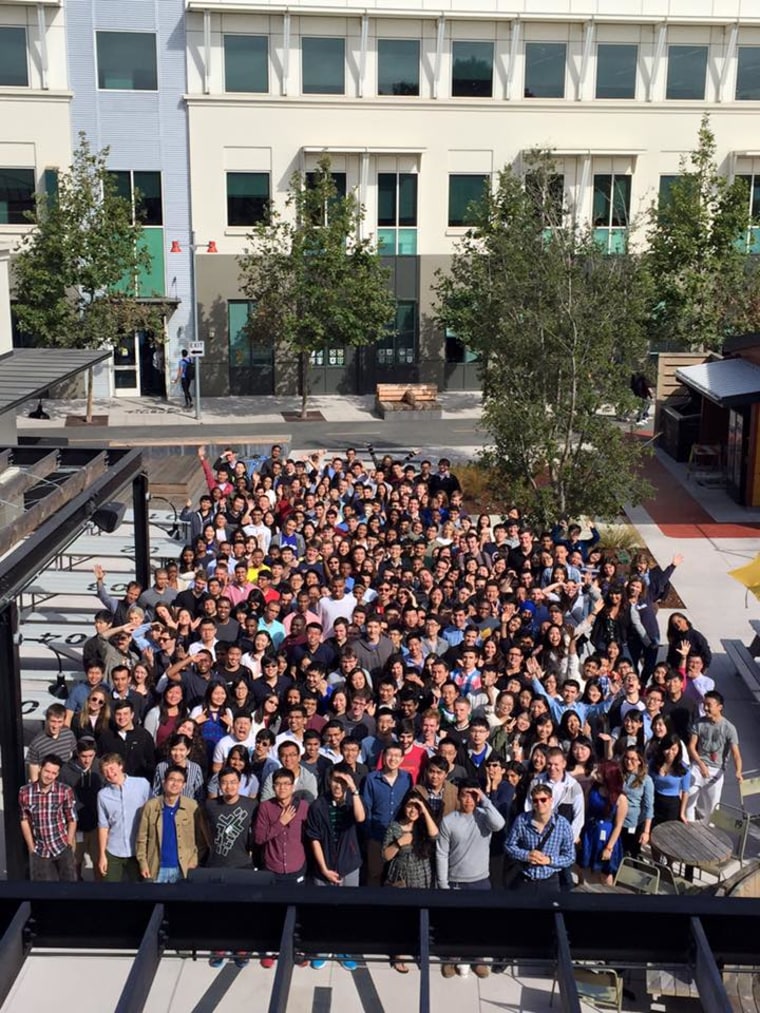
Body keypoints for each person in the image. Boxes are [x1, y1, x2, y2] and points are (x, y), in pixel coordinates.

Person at [436, 780, 505, 979]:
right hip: (456, 880)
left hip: (481, 880)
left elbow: (500, 824)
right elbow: (442, 853)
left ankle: (478, 958)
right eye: (465, 794)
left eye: (473, 795)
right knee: (454, 923)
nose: (469, 799)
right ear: (458, 796)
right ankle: (452, 958)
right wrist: (443, 883)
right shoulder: (449, 821)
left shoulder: (485, 817)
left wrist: (484, 799)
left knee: (479, 922)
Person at [382, 791, 439, 974]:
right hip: (400, 878)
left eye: (416, 807)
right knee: (400, 918)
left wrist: (423, 809)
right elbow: (385, 856)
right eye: (409, 806)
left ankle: (420, 951)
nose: (412, 810)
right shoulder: (394, 827)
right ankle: (398, 954)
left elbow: (435, 836)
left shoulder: (423, 826)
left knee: (421, 918)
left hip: (422, 877)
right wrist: (399, 843)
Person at [136, 765, 207, 882]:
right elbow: (141, 838)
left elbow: (201, 840)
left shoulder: (192, 806)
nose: (175, 784)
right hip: (155, 868)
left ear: (184, 785)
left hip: (182, 868)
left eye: (179, 781)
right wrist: (143, 864)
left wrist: (193, 862)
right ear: (164, 782)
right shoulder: (151, 806)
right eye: (172, 780)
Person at [504, 783, 575, 894]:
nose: (539, 803)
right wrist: (526, 855)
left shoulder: (563, 824)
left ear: (551, 800)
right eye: (535, 801)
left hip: (550, 880)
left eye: (543, 800)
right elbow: (509, 846)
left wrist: (549, 860)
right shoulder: (522, 820)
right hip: (525, 879)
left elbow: (570, 856)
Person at [19, 754, 78, 882]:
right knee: (43, 893)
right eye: (47, 771)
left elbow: (72, 818)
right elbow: (24, 820)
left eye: (53, 773)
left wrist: (68, 843)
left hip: (61, 846)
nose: (49, 776)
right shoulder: (25, 792)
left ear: (57, 774)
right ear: (40, 768)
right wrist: (31, 847)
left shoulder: (65, 791)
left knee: (69, 889)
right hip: (40, 851)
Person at [361, 743, 413, 886]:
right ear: (383, 757)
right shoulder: (371, 779)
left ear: (402, 759)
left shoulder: (407, 778)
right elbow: (367, 809)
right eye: (389, 755)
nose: (393, 759)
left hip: (399, 836)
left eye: (397, 756)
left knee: (396, 878)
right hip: (377, 835)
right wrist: (369, 835)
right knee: (374, 876)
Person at [686, 690, 742, 822]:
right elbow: (691, 747)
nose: (706, 708)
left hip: (716, 770)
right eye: (704, 704)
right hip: (698, 766)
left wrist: (738, 771)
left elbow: (736, 754)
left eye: (709, 705)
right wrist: (700, 764)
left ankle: (708, 835)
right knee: (688, 800)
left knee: (711, 809)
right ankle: (688, 829)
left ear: (719, 707)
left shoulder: (729, 728)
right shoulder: (698, 723)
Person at [96, 753, 151, 882]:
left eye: (112, 768)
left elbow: (152, 812)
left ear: (120, 766)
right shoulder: (103, 795)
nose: (109, 773)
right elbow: (103, 826)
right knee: (111, 891)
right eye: (105, 771)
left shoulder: (141, 784)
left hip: (138, 850)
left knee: (139, 891)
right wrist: (102, 855)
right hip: (114, 849)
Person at [305, 769, 365, 887]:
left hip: (349, 865)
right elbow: (314, 838)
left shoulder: (354, 801)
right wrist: (324, 869)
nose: (338, 786)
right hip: (324, 866)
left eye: (342, 782)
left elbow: (360, 818)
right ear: (329, 781)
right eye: (335, 781)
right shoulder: (318, 806)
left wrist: (354, 790)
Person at [58, 737, 104, 880]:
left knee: (98, 862)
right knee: (74, 862)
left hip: (96, 824)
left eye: (91, 756)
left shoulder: (100, 767)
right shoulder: (66, 771)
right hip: (75, 826)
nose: (87, 760)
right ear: (77, 753)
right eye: (84, 756)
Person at [254, 768, 310, 884]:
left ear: (292, 786)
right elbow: (259, 838)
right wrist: (280, 823)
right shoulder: (265, 807)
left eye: (286, 784)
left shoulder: (303, 806)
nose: (282, 788)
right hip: (272, 867)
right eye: (278, 784)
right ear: (273, 787)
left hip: (296, 866)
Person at [579, 761, 628, 886]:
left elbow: (618, 825)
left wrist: (609, 847)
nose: (597, 774)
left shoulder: (620, 798)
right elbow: (584, 810)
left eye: (601, 772)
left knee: (605, 872)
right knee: (585, 868)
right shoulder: (592, 788)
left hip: (607, 835)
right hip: (590, 832)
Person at [26, 703, 77, 782]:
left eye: (59, 722)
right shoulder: (36, 743)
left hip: (67, 783)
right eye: (53, 721)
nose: (55, 726)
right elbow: (34, 774)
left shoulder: (69, 735)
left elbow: (74, 757)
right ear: (46, 720)